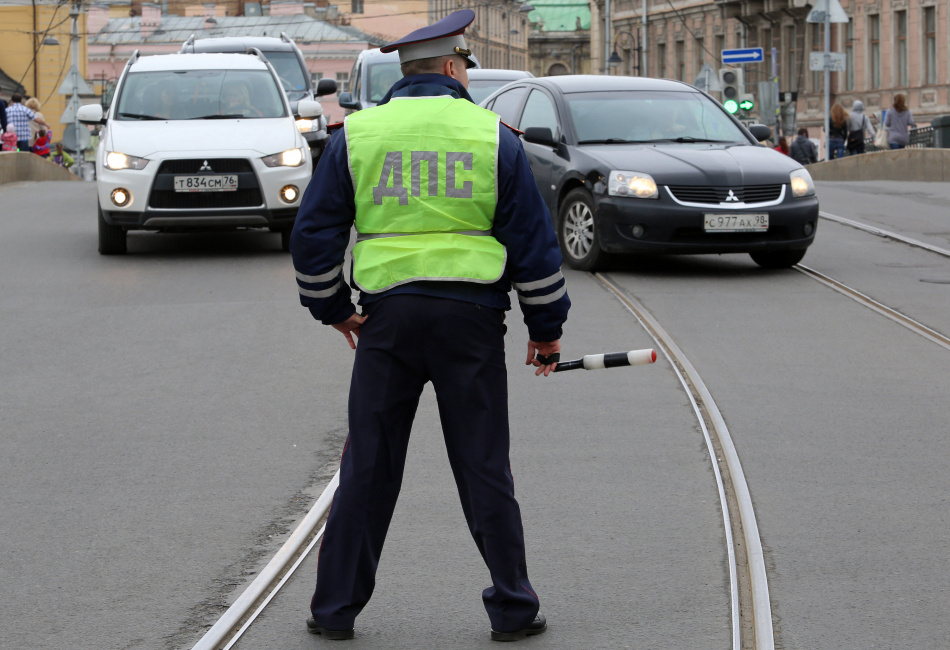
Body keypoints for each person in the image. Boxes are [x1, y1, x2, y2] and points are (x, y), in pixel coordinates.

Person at [291, 9, 569, 643]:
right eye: (464, 68)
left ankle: (334, 612)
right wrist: (546, 328)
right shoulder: (492, 136)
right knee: (483, 465)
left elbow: (313, 238)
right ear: (451, 67)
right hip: (470, 322)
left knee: (368, 466)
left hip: (386, 320)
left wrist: (334, 308)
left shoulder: (357, 135)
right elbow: (532, 244)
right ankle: (513, 609)